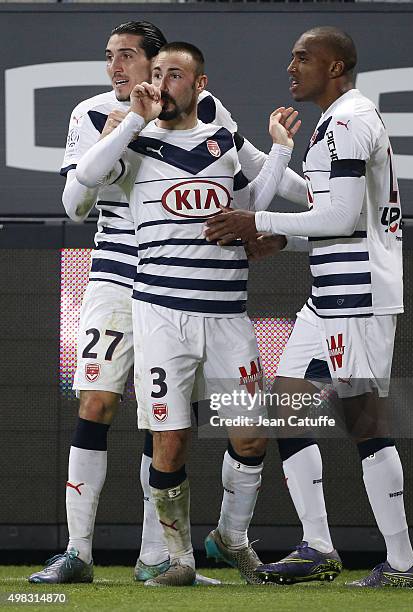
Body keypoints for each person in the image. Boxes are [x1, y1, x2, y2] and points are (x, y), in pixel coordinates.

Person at [28, 21, 308, 586]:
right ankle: (77, 551)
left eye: (129, 57)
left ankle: (159, 555)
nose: (116, 68)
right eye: (110, 57)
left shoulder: (209, 114)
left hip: (197, 285)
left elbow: (252, 181)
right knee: (97, 405)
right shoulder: (94, 115)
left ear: (162, 66)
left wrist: (310, 212)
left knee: (177, 426)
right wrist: (127, 124)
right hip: (117, 275)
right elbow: (74, 203)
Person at [205, 26, 413, 588]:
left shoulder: (348, 121)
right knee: (287, 404)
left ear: (337, 66)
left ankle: (402, 564)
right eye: (291, 56)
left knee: (363, 423)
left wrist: (258, 221)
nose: (291, 65)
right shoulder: (336, 122)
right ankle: (318, 547)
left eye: (304, 57)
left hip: (359, 297)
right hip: (327, 297)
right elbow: (325, 210)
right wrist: (280, 223)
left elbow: (343, 219)